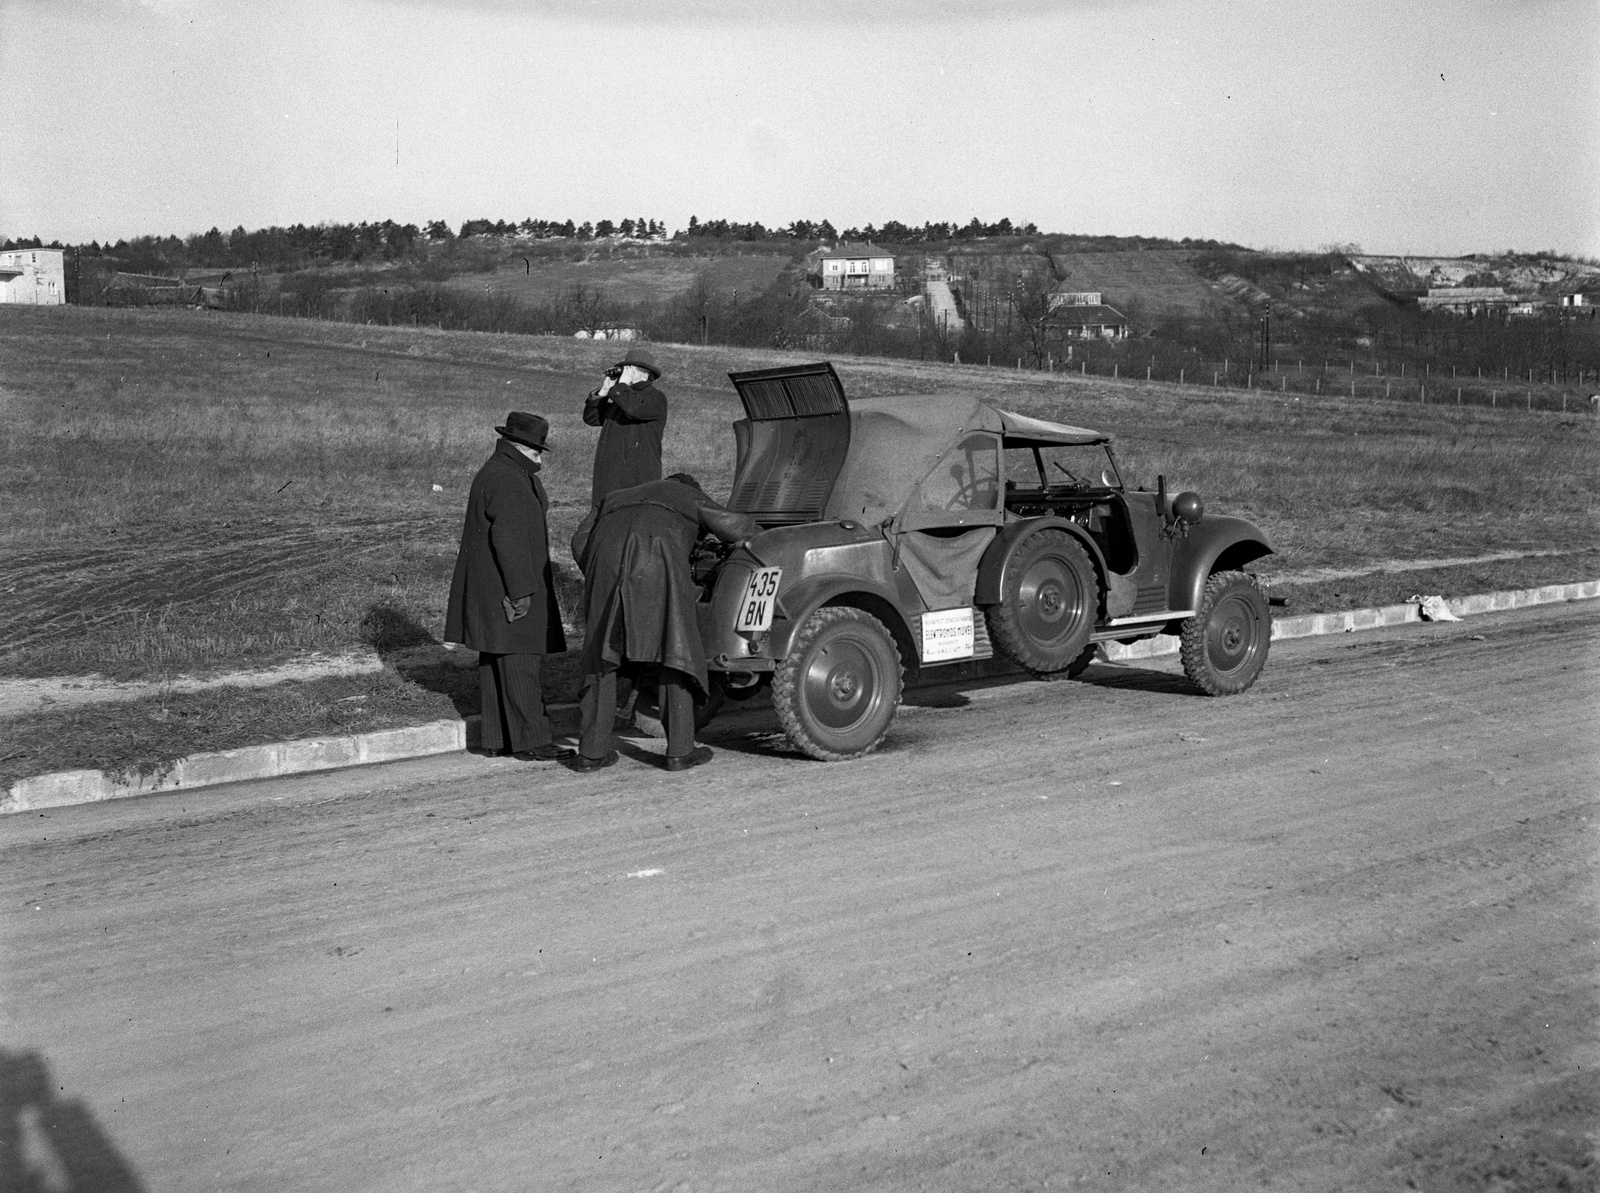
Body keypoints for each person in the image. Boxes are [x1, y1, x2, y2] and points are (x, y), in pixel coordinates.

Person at [569, 474, 757, 773]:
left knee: (601, 657)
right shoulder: (686, 494)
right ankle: (680, 751)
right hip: (656, 563)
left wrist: (601, 570)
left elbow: (579, 541)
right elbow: (736, 527)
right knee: (673, 650)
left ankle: (590, 754)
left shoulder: (616, 493)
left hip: (604, 563)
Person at [444, 412, 575, 762]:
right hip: (508, 588)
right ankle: (532, 741)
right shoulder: (509, 479)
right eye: (538, 450)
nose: (541, 457)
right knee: (521, 661)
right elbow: (511, 540)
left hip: (491, 587)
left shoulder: (501, 471)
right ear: (523, 447)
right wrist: (521, 591)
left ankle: (496, 738)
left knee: (497, 660)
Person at [582, 347, 668, 509]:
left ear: (645, 374)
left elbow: (634, 409)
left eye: (629, 371)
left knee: (631, 514)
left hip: (635, 471)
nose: (624, 375)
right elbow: (592, 419)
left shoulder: (655, 397)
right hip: (610, 469)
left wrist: (621, 386)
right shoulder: (620, 396)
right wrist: (604, 391)